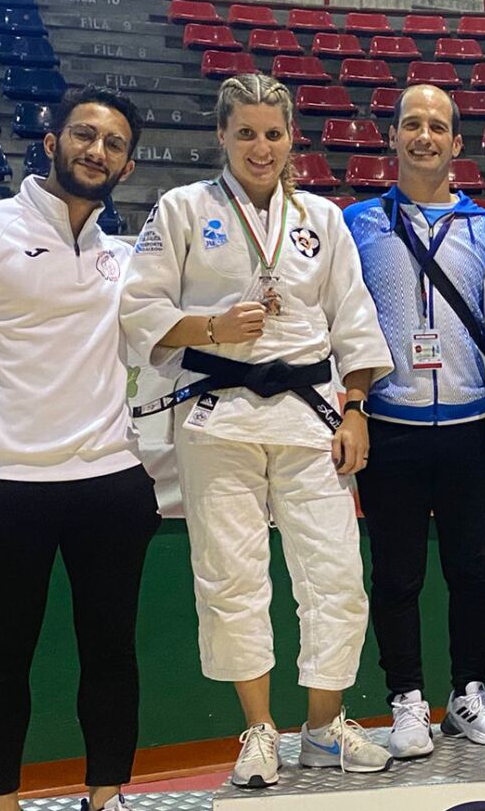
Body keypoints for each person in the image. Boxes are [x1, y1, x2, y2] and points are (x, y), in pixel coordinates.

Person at [118, 73, 394, 787]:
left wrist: (356, 406)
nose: (260, 147)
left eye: (273, 133)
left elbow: (353, 317)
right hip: (218, 415)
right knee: (231, 575)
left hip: (311, 414)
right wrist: (211, 326)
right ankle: (259, 729)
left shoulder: (321, 218)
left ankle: (324, 727)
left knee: (335, 574)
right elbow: (139, 308)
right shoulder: (183, 209)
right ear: (222, 134)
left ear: (291, 137)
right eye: (246, 133)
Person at [0, 85, 160, 811]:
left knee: (111, 650)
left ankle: (106, 796)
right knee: (1, 656)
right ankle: (1, 801)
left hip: (111, 482)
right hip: (8, 488)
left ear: (127, 166)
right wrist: (1, 421)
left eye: (112, 144)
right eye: (84, 135)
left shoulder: (124, 258)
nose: (96, 150)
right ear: (51, 143)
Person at [344, 84, 485, 757]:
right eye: (412, 124)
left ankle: (469, 693)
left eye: (437, 126)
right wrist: (353, 406)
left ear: (456, 143)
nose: (424, 136)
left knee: (472, 570)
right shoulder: (356, 223)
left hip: (473, 425)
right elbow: (342, 321)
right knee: (396, 575)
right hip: (389, 424)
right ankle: (407, 701)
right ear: (392, 136)